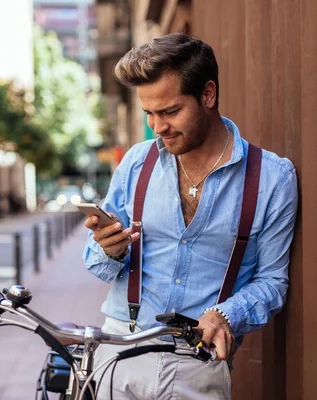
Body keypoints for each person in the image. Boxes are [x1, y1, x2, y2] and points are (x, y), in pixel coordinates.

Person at [82, 32, 298, 399]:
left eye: (169, 111)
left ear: (208, 95)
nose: (157, 126)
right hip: (120, 347)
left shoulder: (273, 177)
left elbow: (273, 280)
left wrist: (227, 314)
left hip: (198, 361)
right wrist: (109, 249)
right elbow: (96, 261)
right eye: (149, 112)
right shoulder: (137, 162)